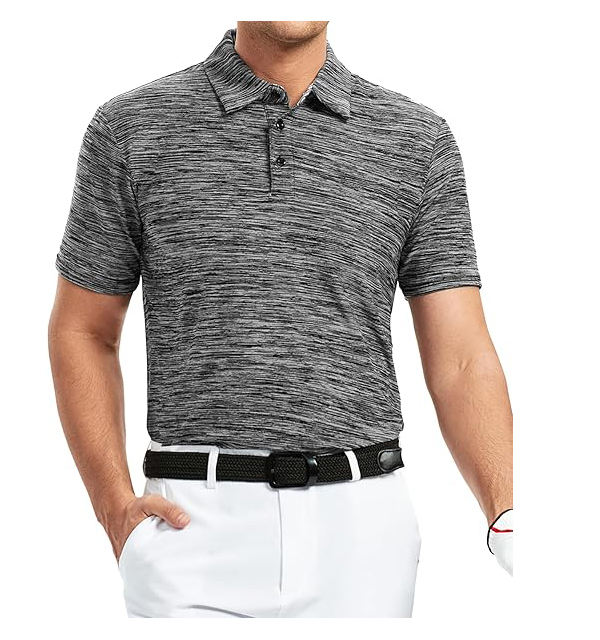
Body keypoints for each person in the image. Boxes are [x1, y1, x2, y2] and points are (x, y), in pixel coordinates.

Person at [48, 21, 513, 618]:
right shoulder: (132, 128)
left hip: (362, 534)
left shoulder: (416, 140)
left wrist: (507, 513)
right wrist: (114, 508)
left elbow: (462, 356)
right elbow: (82, 329)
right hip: (190, 529)